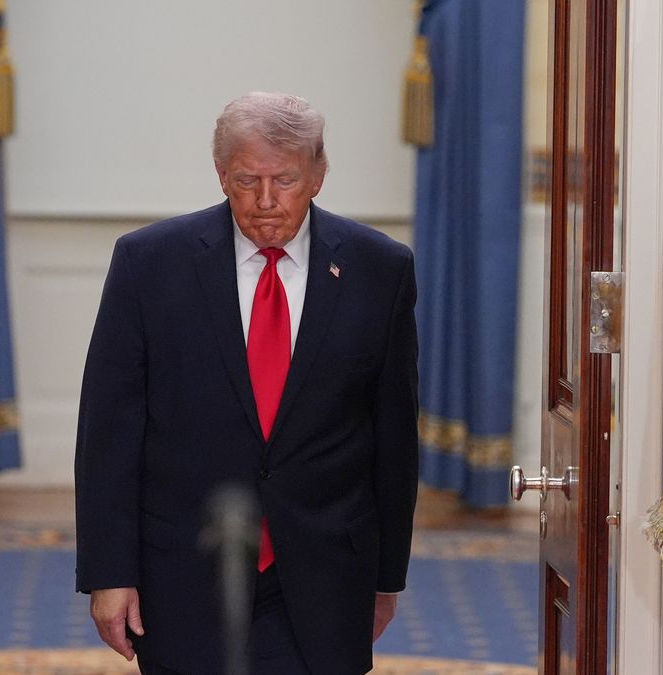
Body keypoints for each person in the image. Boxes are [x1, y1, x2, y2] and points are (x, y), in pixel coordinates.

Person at [74, 91, 419, 675]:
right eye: (244, 180)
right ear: (220, 175)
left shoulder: (379, 268)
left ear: (318, 174)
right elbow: (109, 432)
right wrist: (109, 575)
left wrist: (386, 577)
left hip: (325, 569)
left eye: (283, 180)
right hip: (183, 568)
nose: (264, 202)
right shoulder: (149, 263)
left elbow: (392, 438)